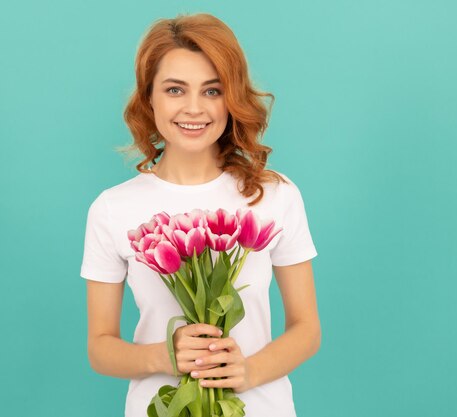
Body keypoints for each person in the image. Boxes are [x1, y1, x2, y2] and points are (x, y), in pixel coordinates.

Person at [80, 13, 321, 417]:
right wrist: (165, 356)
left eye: (212, 91)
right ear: (149, 97)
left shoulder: (274, 195)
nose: (194, 108)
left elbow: (307, 329)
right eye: (175, 89)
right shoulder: (113, 208)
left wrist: (247, 371)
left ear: (232, 98)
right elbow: (100, 348)